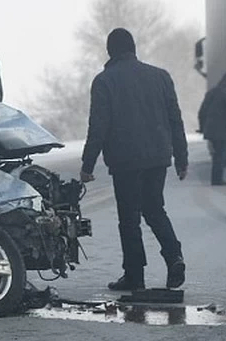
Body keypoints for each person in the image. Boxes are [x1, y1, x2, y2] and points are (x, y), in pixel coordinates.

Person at [80, 28, 187, 291]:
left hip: (125, 160)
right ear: (133, 48)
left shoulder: (105, 81)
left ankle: (135, 277)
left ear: (110, 51)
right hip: (157, 157)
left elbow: (99, 126)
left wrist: (87, 164)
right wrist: (181, 157)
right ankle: (174, 256)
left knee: (129, 219)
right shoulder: (161, 76)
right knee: (154, 209)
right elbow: (175, 119)